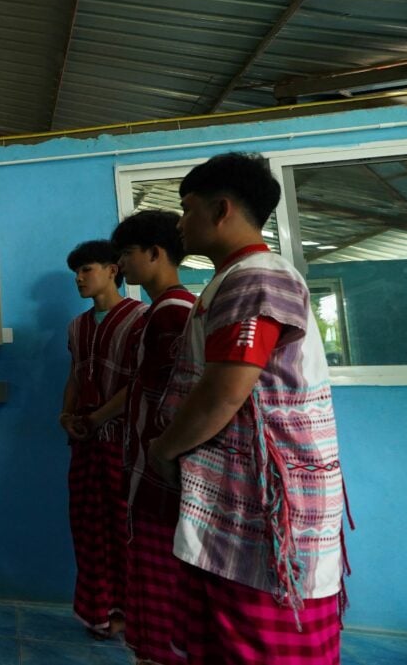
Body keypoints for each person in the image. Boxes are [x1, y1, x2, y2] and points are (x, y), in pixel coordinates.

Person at [149, 153, 349, 663]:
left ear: (221, 210)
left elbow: (225, 391)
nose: (180, 223)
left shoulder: (256, 278)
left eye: (187, 209)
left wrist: (164, 449)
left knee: (259, 640)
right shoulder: (233, 278)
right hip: (235, 492)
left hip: (261, 499)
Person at [111, 211, 196, 665]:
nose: (121, 264)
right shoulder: (159, 312)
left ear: (155, 254)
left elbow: (180, 399)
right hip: (148, 466)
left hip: (164, 474)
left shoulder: (173, 313)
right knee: (148, 573)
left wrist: (164, 454)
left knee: (165, 579)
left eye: (127, 253)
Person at [59, 239, 146, 638]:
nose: (79, 278)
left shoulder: (141, 318)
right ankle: (97, 612)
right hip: (85, 444)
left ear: (113, 270)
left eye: (86, 269)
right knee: (87, 527)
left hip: (124, 443)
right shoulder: (76, 326)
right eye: (75, 272)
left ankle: (130, 615)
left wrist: (97, 418)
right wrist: (66, 415)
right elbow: (76, 374)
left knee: (124, 528)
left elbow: (140, 383)